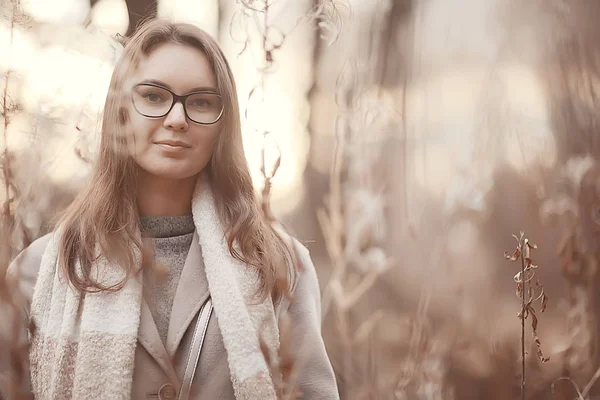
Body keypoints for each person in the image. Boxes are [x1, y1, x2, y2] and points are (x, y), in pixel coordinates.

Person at [1, 19, 339, 400]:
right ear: (120, 110)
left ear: (223, 125)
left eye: (201, 102)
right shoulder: (39, 270)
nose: (177, 119)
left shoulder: (278, 265)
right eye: (154, 96)